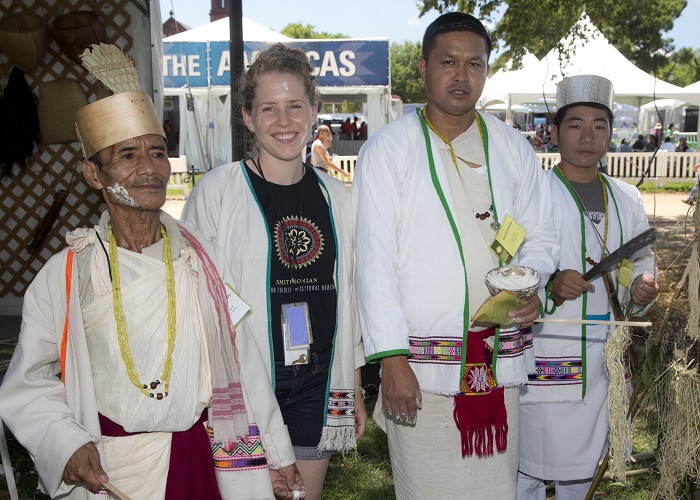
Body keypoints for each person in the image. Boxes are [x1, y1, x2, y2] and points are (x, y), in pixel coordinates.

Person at [0, 44, 303, 500]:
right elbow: (28, 380)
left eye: (158, 153)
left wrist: (277, 455)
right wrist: (65, 443)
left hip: (203, 463)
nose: (148, 169)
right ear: (93, 174)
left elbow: (244, 363)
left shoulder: (203, 260)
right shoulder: (68, 273)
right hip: (113, 471)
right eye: (127, 155)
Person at [353, 12, 559, 499]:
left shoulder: (512, 147)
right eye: (448, 62)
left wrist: (533, 286)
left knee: (496, 488)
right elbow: (374, 260)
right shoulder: (387, 150)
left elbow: (542, 233)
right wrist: (392, 360)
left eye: (475, 64)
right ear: (423, 68)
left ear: (487, 72)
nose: (462, 75)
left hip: (498, 357)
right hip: (423, 370)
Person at [181, 43, 366, 500]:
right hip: (243, 381)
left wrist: (355, 384)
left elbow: (351, 301)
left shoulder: (338, 199)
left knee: (303, 496)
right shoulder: (217, 193)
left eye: (294, 106)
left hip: (317, 381)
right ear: (247, 117)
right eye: (268, 108)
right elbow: (195, 296)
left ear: (314, 111)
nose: (283, 121)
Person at [518, 74, 658, 499]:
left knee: (589, 470)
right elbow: (507, 260)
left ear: (611, 134)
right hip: (549, 348)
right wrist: (548, 284)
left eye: (599, 125)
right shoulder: (532, 192)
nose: (587, 136)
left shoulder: (627, 197)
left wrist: (641, 285)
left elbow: (642, 257)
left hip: (608, 354)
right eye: (575, 124)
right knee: (530, 465)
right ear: (555, 131)